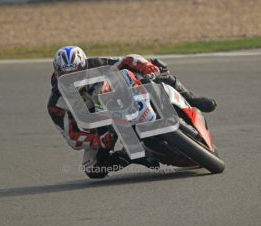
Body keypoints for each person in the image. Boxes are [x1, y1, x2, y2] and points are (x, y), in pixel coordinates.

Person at [47, 46, 217, 178]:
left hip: (124, 95)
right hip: (101, 125)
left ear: (84, 66)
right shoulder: (57, 103)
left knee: (157, 66)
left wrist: (145, 65)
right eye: (66, 75)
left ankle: (192, 99)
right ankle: (132, 155)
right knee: (93, 168)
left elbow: (128, 60)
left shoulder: (96, 64)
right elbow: (72, 137)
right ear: (58, 73)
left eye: (77, 73)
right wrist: (96, 139)